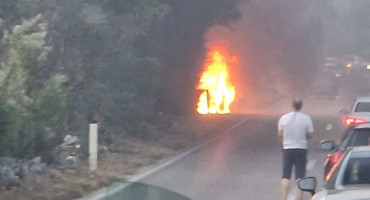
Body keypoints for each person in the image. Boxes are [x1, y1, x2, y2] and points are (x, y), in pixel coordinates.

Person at [277, 99, 314, 200]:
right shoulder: (306, 118)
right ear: (301, 106)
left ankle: (284, 198)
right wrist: (302, 137)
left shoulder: (284, 118)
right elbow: (310, 134)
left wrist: (282, 146)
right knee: (300, 176)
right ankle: (299, 198)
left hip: (287, 148)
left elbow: (280, 135)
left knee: (285, 175)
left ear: (292, 105)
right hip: (301, 148)